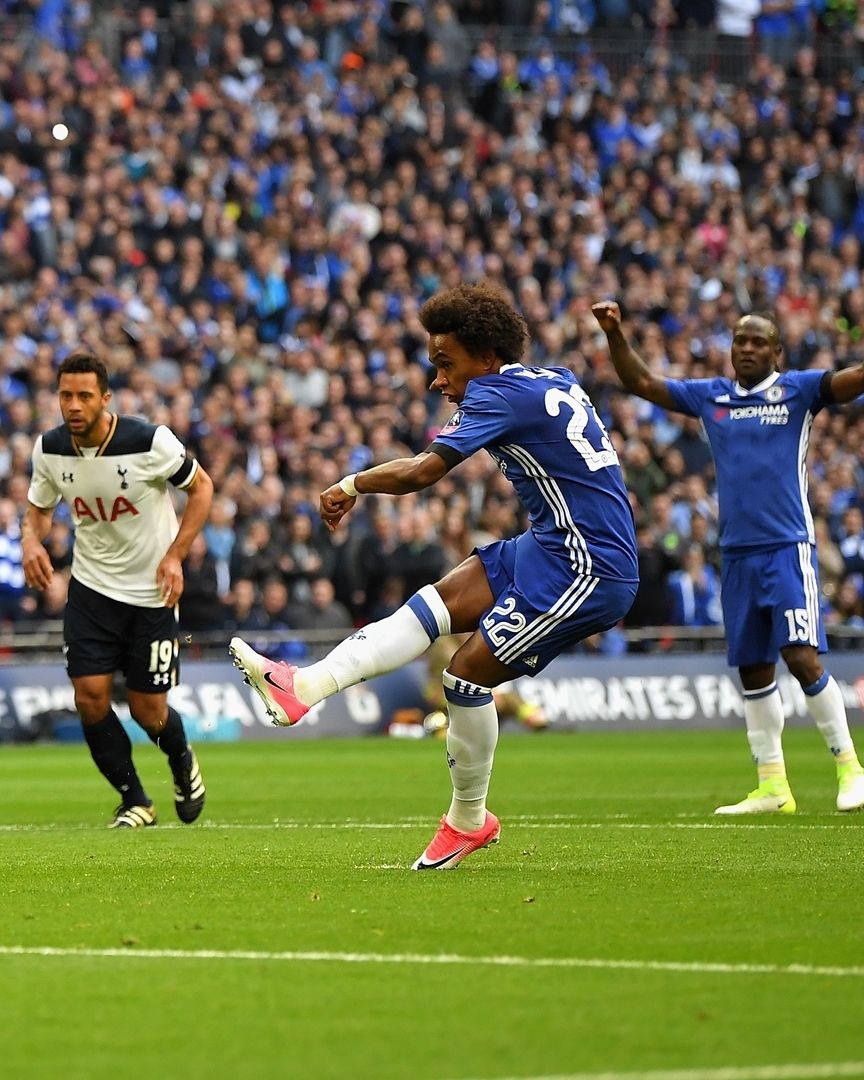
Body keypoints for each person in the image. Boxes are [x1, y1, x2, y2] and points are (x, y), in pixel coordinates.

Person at [229, 285, 639, 869]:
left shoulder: (498, 394)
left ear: (486, 358)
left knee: (465, 675)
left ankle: (469, 821)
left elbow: (423, 472)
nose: (435, 380)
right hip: (551, 545)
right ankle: (303, 688)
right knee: (435, 603)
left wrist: (351, 484)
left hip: (589, 566)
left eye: (445, 363)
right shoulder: (554, 378)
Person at [596, 285, 864, 815]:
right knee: (754, 671)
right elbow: (642, 382)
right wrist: (615, 334)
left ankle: (849, 767)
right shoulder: (712, 396)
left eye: (757, 342)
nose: (745, 349)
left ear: (776, 353)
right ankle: (772, 786)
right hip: (735, 553)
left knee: (802, 657)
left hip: (786, 547)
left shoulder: (800, 391)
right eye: (739, 341)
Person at [23, 352, 214, 828]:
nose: (74, 405)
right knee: (89, 697)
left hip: (152, 592)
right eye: (66, 395)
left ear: (105, 399)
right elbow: (40, 508)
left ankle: (181, 759)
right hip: (91, 589)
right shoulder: (49, 449)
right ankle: (135, 800)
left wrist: (175, 554)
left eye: (84, 395)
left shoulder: (148, 441)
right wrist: (31, 541)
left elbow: (203, 487)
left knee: (149, 711)